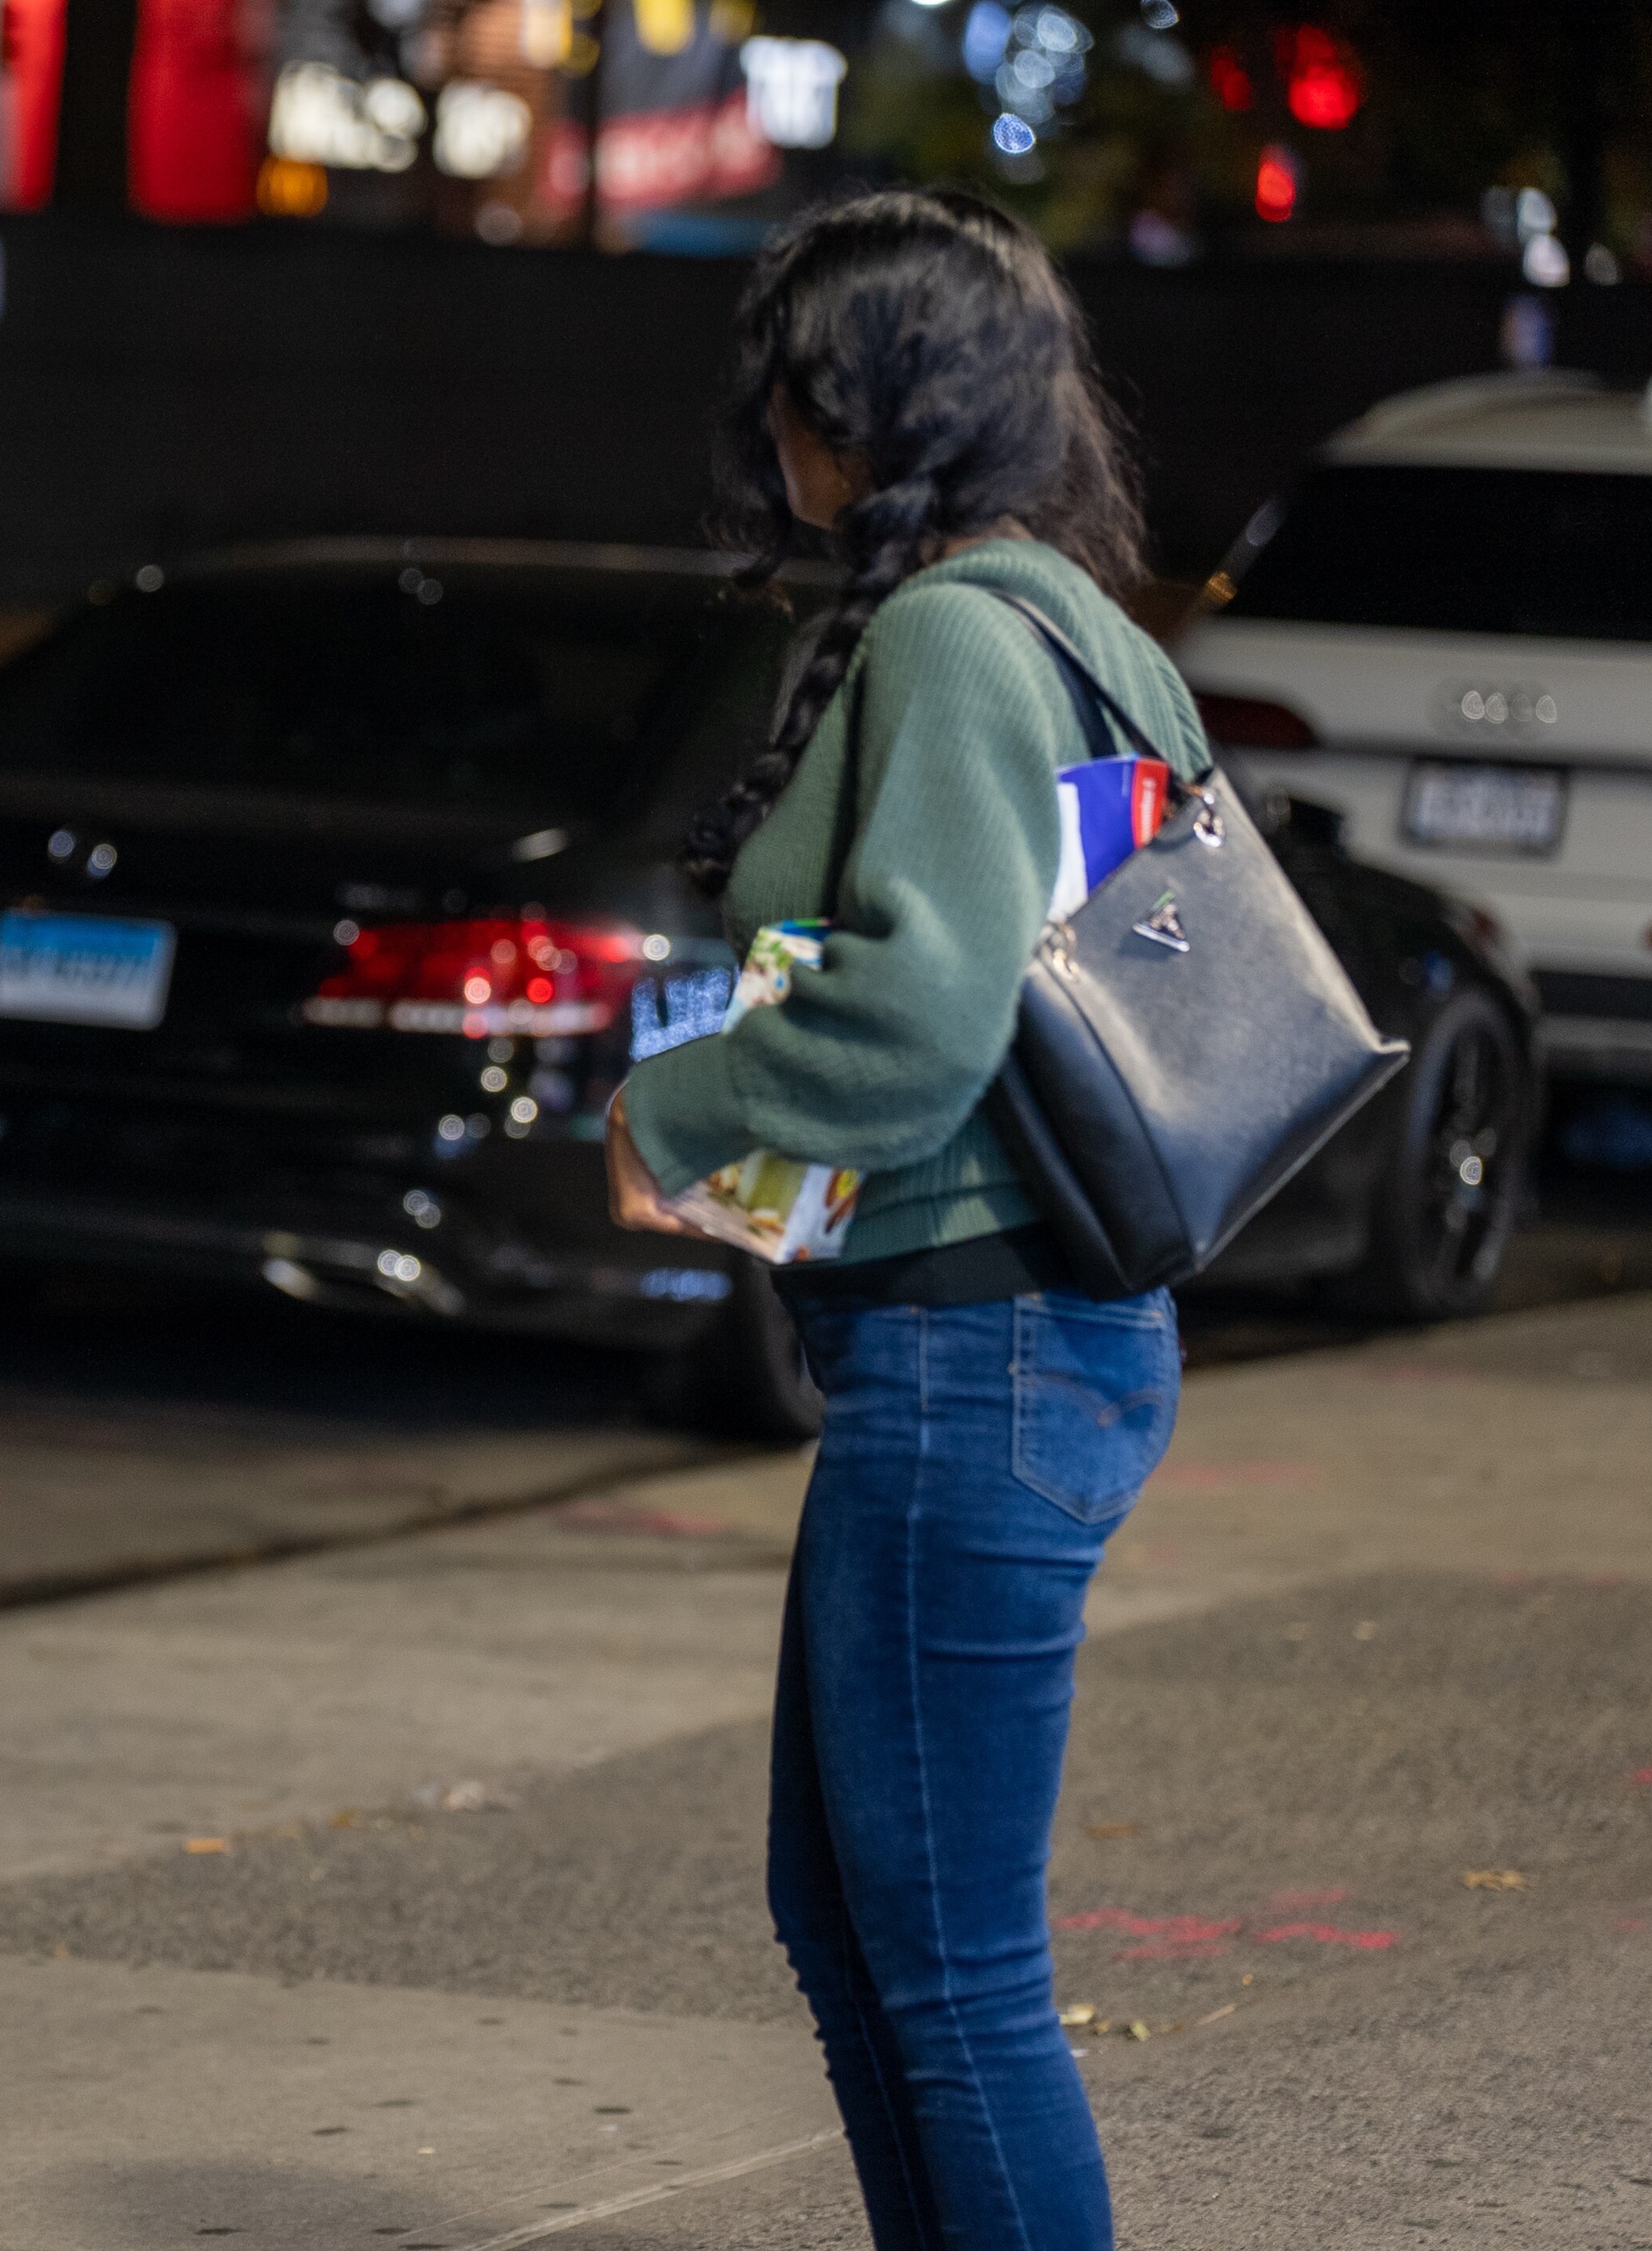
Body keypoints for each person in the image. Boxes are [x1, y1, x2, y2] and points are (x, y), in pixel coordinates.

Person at [605, 190, 1205, 2250]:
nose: (773, 439)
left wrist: (675, 1112)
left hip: (979, 1341)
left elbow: (926, 1011)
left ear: (869, 403)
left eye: (792, 391)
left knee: (945, 1967)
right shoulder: (1075, 617)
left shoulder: (959, 634)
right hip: (1011, 1338)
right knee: (854, 1920)